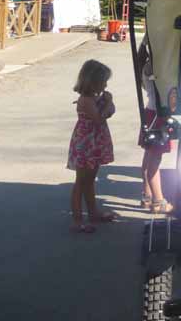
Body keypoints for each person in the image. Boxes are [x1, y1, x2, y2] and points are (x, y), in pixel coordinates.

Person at [67, 59, 116, 233]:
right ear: (93, 81)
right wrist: (107, 103)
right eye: (103, 81)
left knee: (90, 180)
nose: (105, 85)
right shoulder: (86, 100)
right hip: (86, 143)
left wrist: (108, 103)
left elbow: (109, 112)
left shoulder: (95, 98)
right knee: (81, 182)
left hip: (95, 142)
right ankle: (77, 219)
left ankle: (93, 212)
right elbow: (98, 118)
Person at [137, 40, 173, 214]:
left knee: (148, 155)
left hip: (151, 112)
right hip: (159, 115)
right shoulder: (157, 67)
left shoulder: (147, 65)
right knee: (155, 160)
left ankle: (147, 195)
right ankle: (158, 201)